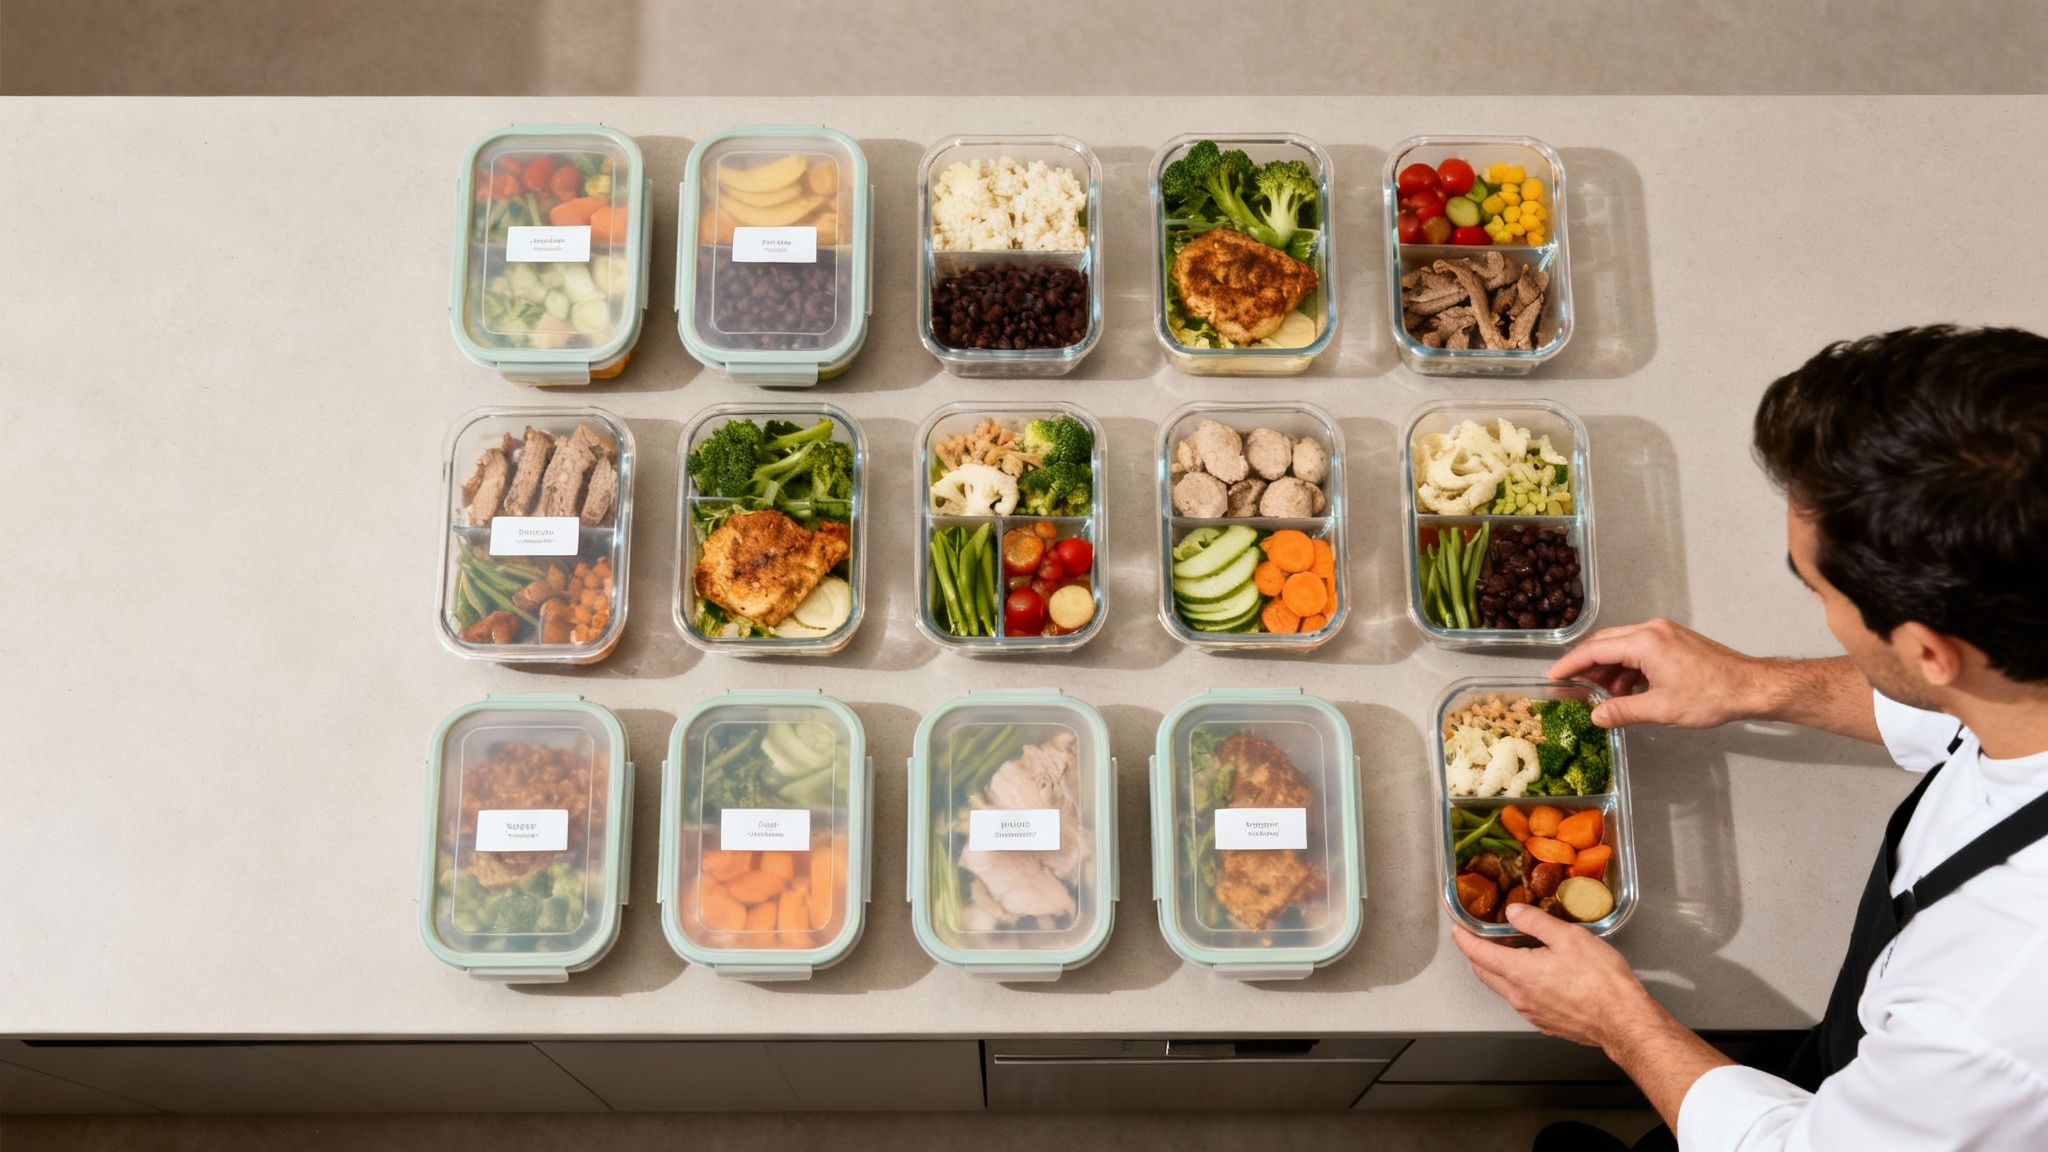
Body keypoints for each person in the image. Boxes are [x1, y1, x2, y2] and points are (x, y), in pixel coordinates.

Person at [1453, 325, 2048, 1151]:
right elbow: (1962, 705)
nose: (1817, 606)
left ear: (1927, 651)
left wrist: (1618, 1021)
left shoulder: (1991, 1011)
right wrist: (1757, 684)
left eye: (1816, 587)